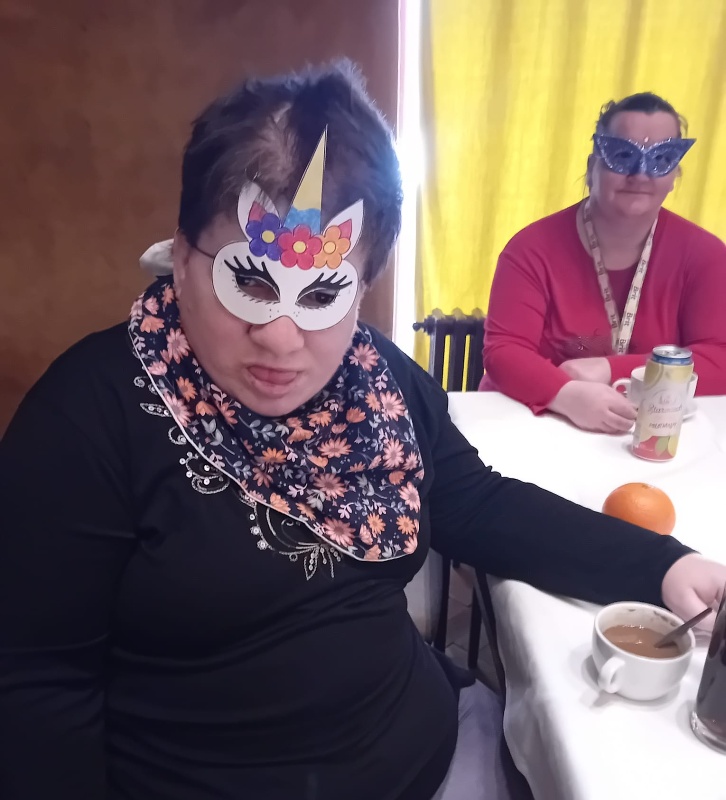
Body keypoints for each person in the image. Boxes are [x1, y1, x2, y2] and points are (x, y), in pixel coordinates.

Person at [1, 65, 724, 800]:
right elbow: (36, 679)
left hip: (434, 751)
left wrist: (661, 566)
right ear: (184, 260)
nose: (280, 338)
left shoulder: (379, 379)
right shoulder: (85, 417)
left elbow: (477, 504)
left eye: (322, 293)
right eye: (247, 284)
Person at [481, 92, 726, 433]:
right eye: (622, 156)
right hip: (536, 421)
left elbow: (720, 359)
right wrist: (566, 395)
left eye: (661, 159)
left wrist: (612, 370)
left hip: (647, 429)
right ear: (591, 167)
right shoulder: (530, 249)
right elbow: (504, 352)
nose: (640, 175)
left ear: (674, 176)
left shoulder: (706, 255)